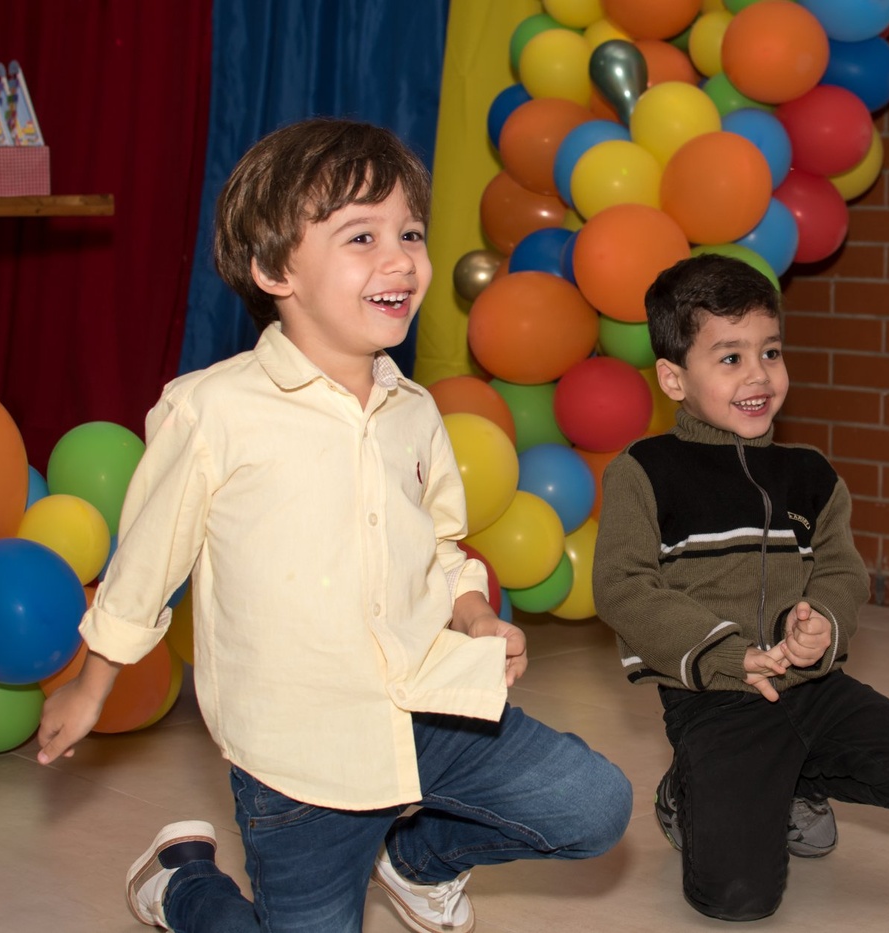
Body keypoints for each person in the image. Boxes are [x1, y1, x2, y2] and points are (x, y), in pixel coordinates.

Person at [35, 118, 632, 933]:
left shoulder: (414, 410)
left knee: (593, 804)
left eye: (410, 233)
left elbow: (441, 545)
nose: (402, 259)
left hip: (427, 710)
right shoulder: (214, 411)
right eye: (362, 236)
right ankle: (183, 886)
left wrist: (472, 613)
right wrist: (91, 684)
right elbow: (145, 563)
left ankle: (416, 862)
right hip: (297, 760)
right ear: (275, 268)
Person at [592, 253, 889, 921]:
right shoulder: (644, 471)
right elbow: (623, 587)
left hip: (811, 686)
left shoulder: (810, 473)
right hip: (715, 698)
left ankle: (793, 777)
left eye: (770, 351)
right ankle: (689, 790)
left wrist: (823, 623)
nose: (759, 374)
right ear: (674, 377)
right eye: (730, 358)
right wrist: (728, 653)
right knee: (737, 899)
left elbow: (841, 570)